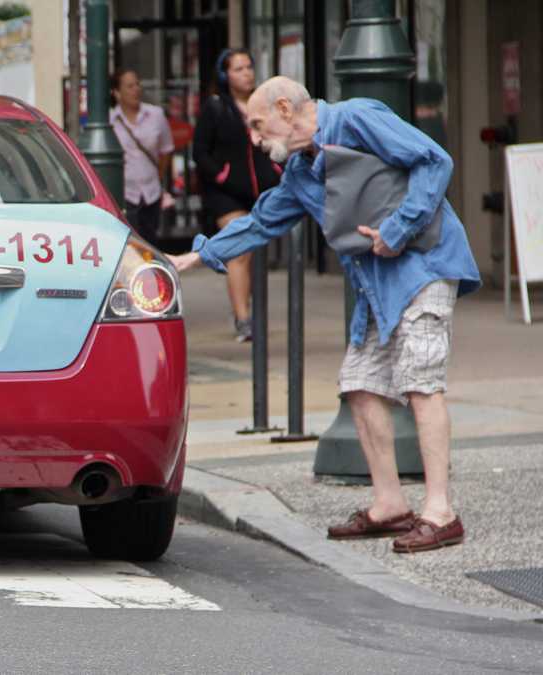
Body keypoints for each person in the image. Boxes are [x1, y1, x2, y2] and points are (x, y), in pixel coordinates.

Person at [170, 76, 481, 553]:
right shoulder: (299, 172)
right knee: (358, 384)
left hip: (425, 263)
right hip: (377, 282)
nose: (254, 139)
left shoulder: (357, 118)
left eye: (257, 126)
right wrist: (197, 256)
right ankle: (390, 504)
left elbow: (434, 161)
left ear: (284, 108)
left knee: (421, 381)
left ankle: (441, 512)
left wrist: (397, 229)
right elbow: (262, 220)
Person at [193, 49, 282, 342]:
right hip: (226, 193)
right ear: (225, 75)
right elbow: (200, 152)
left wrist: (276, 170)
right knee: (239, 248)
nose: (246, 73)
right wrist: (222, 175)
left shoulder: (264, 106)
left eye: (248, 67)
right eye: (238, 68)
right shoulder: (216, 107)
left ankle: (247, 309)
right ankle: (243, 319)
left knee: (253, 252)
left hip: (261, 192)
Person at [109, 68, 174, 242]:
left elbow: (167, 149)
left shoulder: (156, 115)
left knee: (150, 241)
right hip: (124, 194)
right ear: (117, 93)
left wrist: (158, 176)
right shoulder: (109, 120)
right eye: (129, 86)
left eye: (137, 84)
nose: (136, 89)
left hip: (151, 192)